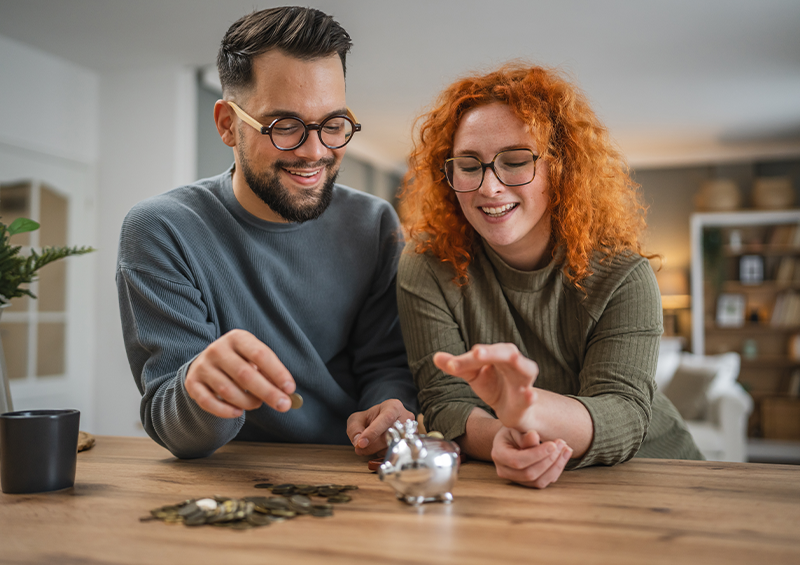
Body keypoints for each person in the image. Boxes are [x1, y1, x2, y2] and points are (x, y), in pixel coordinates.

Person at [116, 7, 416, 459]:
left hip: (351, 465)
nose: (314, 151)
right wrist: (202, 390)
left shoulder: (373, 223)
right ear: (227, 124)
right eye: (285, 127)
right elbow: (173, 427)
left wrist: (388, 406)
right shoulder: (163, 229)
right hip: (228, 474)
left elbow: (385, 364)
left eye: (333, 125)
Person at [397, 63, 702, 489]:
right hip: (518, 486)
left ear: (561, 169)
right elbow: (445, 401)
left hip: (656, 476)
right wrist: (502, 438)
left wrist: (529, 411)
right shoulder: (429, 262)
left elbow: (625, 413)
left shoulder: (623, 275)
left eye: (515, 161)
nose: (489, 187)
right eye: (469, 165)